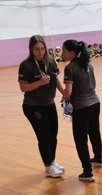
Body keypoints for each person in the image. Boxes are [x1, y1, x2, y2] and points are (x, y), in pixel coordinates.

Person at [18, 35, 65, 178]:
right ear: (31, 50)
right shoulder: (26, 65)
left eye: (42, 49)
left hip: (49, 103)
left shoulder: (50, 61)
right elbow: (23, 87)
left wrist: (65, 93)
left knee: (53, 134)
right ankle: (48, 165)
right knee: (44, 135)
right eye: (37, 49)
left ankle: (52, 161)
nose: (40, 52)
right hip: (33, 106)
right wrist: (39, 83)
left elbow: (55, 79)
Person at [61, 39, 102, 182]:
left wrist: (63, 97)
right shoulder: (88, 65)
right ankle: (98, 158)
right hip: (95, 103)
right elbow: (94, 84)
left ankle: (87, 172)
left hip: (81, 107)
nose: (62, 53)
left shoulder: (70, 68)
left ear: (72, 53)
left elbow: (68, 93)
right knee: (94, 132)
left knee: (81, 140)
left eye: (64, 51)